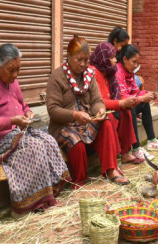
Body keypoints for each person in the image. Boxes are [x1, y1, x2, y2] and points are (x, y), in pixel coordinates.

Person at [0, 44, 69, 216]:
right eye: (11, 70)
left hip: (16, 131)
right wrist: (12, 120)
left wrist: (27, 112)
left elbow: (22, 104)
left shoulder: (12, 81)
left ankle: (51, 191)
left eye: (18, 70)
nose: (15, 75)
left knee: (47, 140)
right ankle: (32, 202)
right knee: (33, 148)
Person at [46, 35, 129, 186]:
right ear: (68, 56)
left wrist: (100, 111)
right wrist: (74, 115)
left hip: (86, 122)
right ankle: (80, 182)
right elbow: (53, 110)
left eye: (86, 60)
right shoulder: (56, 77)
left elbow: (97, 101)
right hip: (64, 126)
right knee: (75, 143)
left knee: (107, 123)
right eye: (79, 60)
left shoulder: (89, 75)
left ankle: (111, 169)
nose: (84, 64)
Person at [89, 42, 142, 164]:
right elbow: (98, 102)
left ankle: (125, 153)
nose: (115, 60)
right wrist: (121, 103)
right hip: (95, 110)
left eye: (115, 56)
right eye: (111, 57)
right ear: (103, 58)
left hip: (108, 106)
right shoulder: (93, 72)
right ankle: (112, 160)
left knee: (127, 112)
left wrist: (128, 101)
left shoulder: (110, 72)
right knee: (111, 118)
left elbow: (118, 94)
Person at [116, 44, 158, 160]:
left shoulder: (129, 72)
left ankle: (151, 140)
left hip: (128, 103)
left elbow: (135, 92)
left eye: (137, 62)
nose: (136, 66)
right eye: (134, 62)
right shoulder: (118, 72)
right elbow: (123, 98)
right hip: (118, 107)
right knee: (130, 108)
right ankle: (136, 148)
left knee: (145, 104)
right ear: (125, 59)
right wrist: (141, 98)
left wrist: (148, 94)